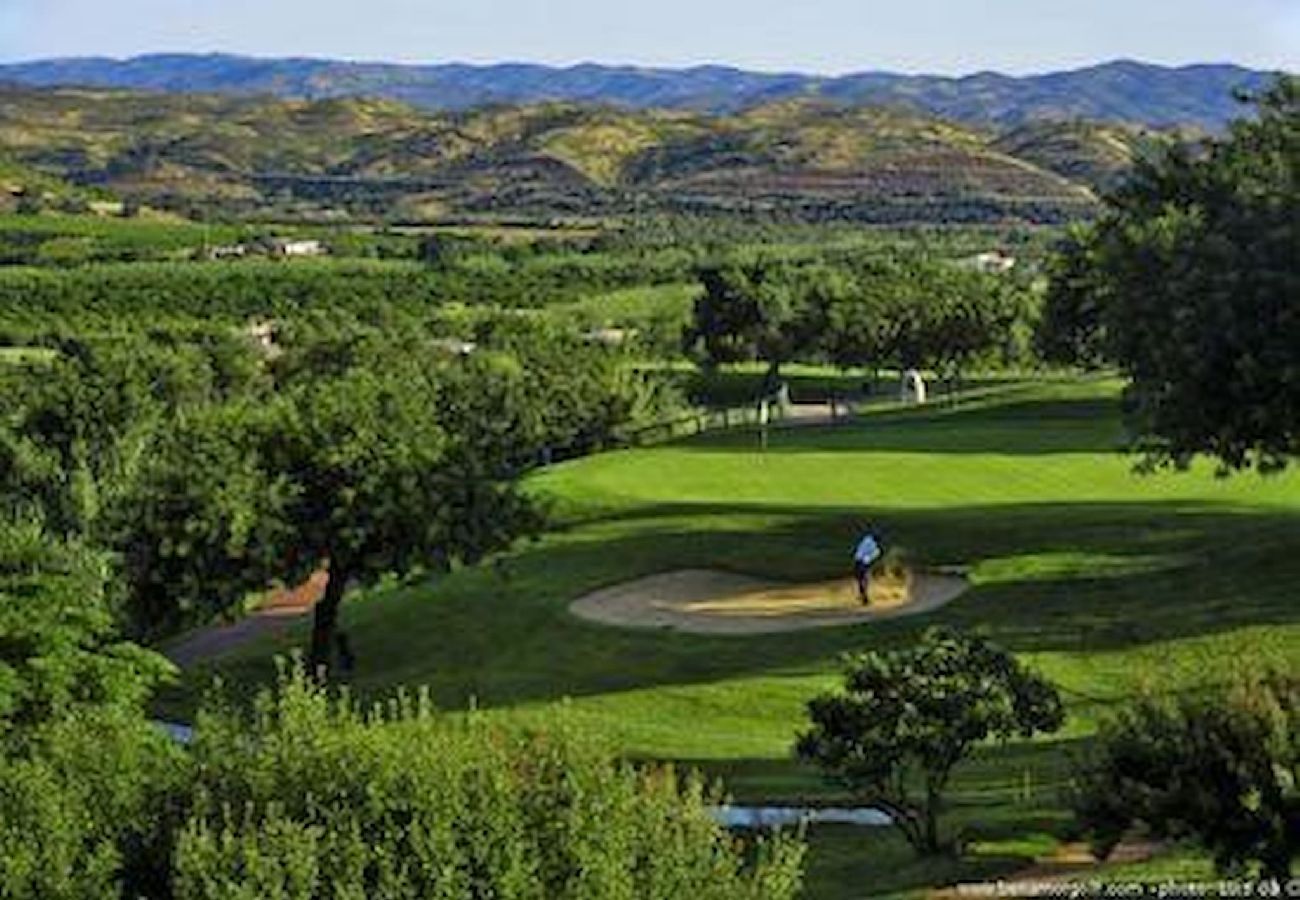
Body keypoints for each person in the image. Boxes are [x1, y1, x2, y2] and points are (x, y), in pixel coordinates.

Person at [853, 531, 883, 605]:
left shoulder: (866, 540)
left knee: (860, 580)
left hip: (857, 561)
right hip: (863, 563)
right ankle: (864, 597)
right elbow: (872, 556)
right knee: (865, 579)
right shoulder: (875, 549)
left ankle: (863, 595)